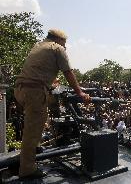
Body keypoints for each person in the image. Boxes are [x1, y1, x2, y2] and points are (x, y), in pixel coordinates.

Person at [14, 29, 91, 180]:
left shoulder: (39, 46)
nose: (66, 46)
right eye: (65, 43)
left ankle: (34, 148)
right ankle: (27, 169)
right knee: (33, 128)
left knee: (39, 120)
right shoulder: (57, 48)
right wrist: (80, 93)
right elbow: (68, 73)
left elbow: (40, 71)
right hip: (34, 91)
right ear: (58, 39)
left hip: (21, 89)